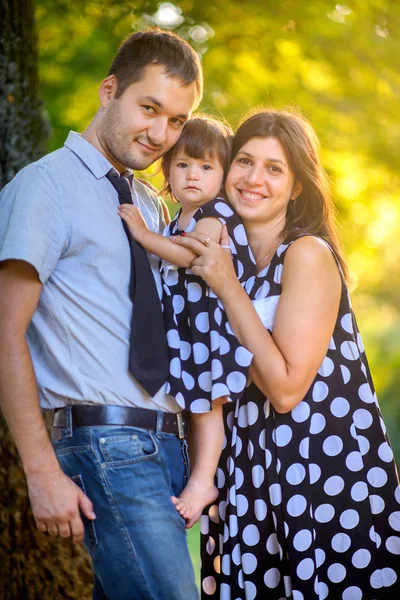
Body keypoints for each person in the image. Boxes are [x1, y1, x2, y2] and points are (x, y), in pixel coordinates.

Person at [0, 28, 203, 600]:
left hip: (167, 450)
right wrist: (40, 472)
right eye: (149, 108)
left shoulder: (151, 205)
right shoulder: (45, 186)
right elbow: (3, 331)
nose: (161, 134)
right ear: (108, 90)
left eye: (178, 121)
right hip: (107, 447)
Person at [172, 109, 400, 599]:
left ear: (297, 187)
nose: (254, 178)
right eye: (245, 162)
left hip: (319, 479)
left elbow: (285, 389)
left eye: (274, 169)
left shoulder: (307, 254)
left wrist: (225, 285)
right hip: (249, 477)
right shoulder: (220, 259)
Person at [119, 115, 256, 528]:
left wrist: (144, 236)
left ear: (224, 174)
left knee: (207, 410)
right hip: (191, 334)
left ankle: (203, 482)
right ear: (167, 171)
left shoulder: (215, 214)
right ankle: (199, 473)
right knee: (195, 409)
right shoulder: (176, 216)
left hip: (215, 333)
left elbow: (194, 255)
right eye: (182, 165)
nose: (193, 175)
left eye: (206, 166)